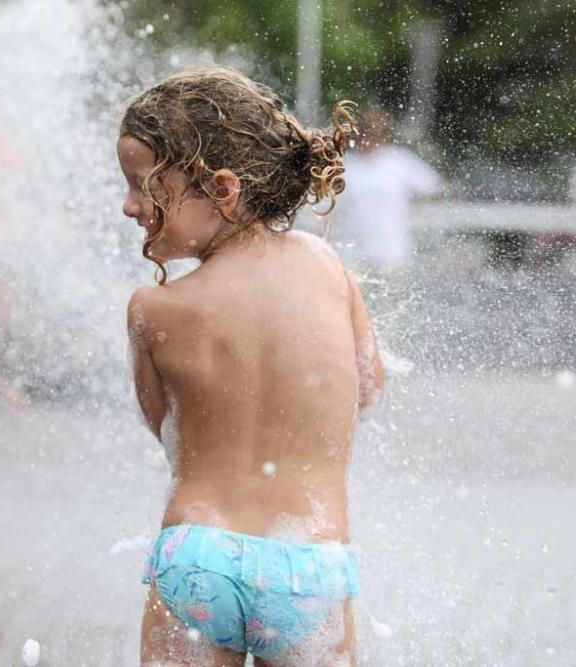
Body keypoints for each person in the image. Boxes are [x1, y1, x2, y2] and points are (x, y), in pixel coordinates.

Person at [117, 68, 384, 664]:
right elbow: (368, 387)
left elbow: (162, 422)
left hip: (198, 555)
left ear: (223, 189)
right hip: (309, 565)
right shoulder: (325, 268)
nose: (129, 205)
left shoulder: (155, 307)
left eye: (142, 186)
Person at [330, 108, 443, 273]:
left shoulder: (398, 161)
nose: (370, 136)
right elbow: (330, 211)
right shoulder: (346, 165)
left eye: (375, 131)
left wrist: (413, 209)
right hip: (352, 253)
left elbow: (434, 188)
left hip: (392, 252)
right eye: (366, 130)